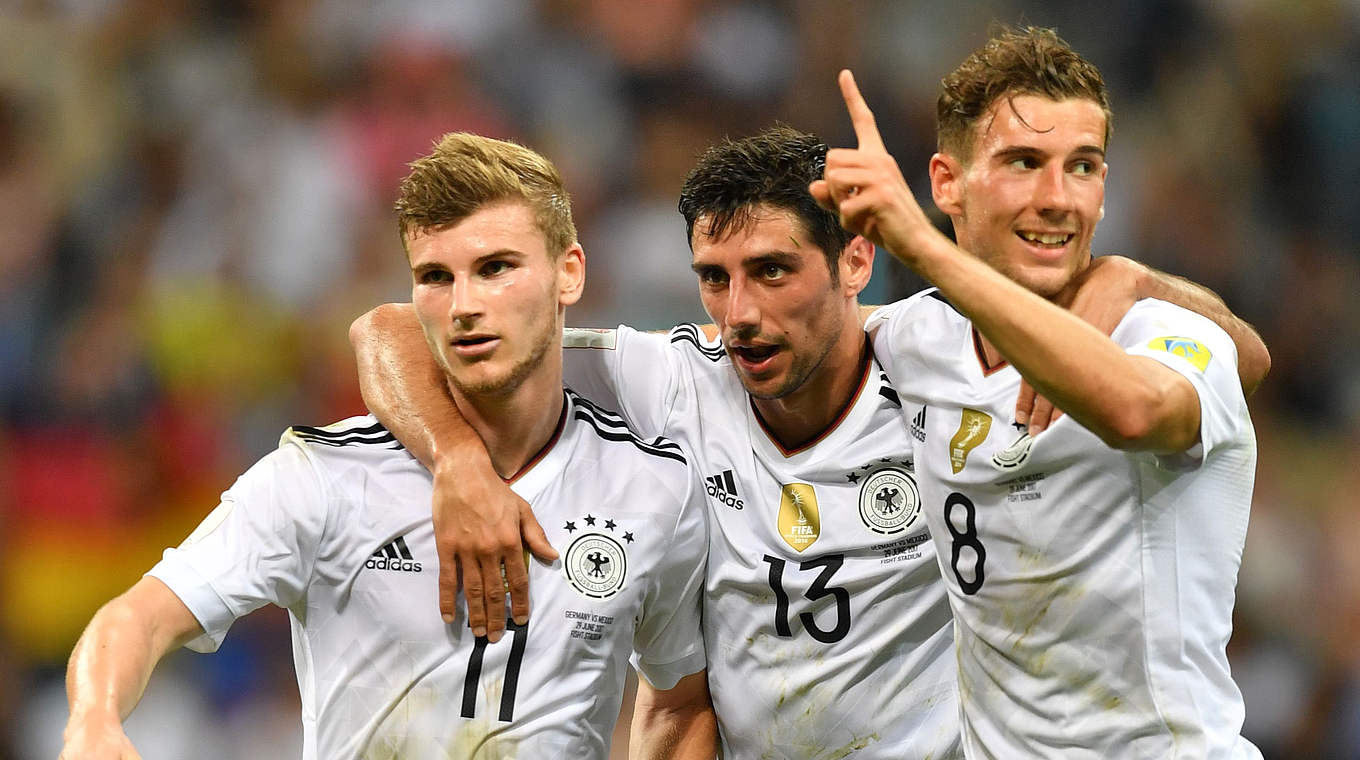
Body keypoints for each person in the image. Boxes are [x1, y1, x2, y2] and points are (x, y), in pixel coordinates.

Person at [350, 130, 1268, 757]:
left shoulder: (941, 352)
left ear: (856, 264)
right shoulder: (674, 378)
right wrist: (458, 463)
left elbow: (1244, 354)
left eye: (774, 272)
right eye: (715, 279)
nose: (740, 315)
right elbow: (389, 332)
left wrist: (1120, 278)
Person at [59, 133, 715, 760]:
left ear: (568, 273)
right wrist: (93, 722)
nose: (464, 305)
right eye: (435, 277)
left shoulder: (652, 488)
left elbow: (682, 697)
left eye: (495, 269)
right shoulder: (323, 478)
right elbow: (138, 617)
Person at [813, 27, 1264, 758]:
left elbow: (1140, 408)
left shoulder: (1162, 333)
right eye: (1023, 162)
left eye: (1081, 167)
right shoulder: (916, 340)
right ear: (946, 182)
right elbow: (763, 351)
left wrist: (923, 246)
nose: (1056, 198)